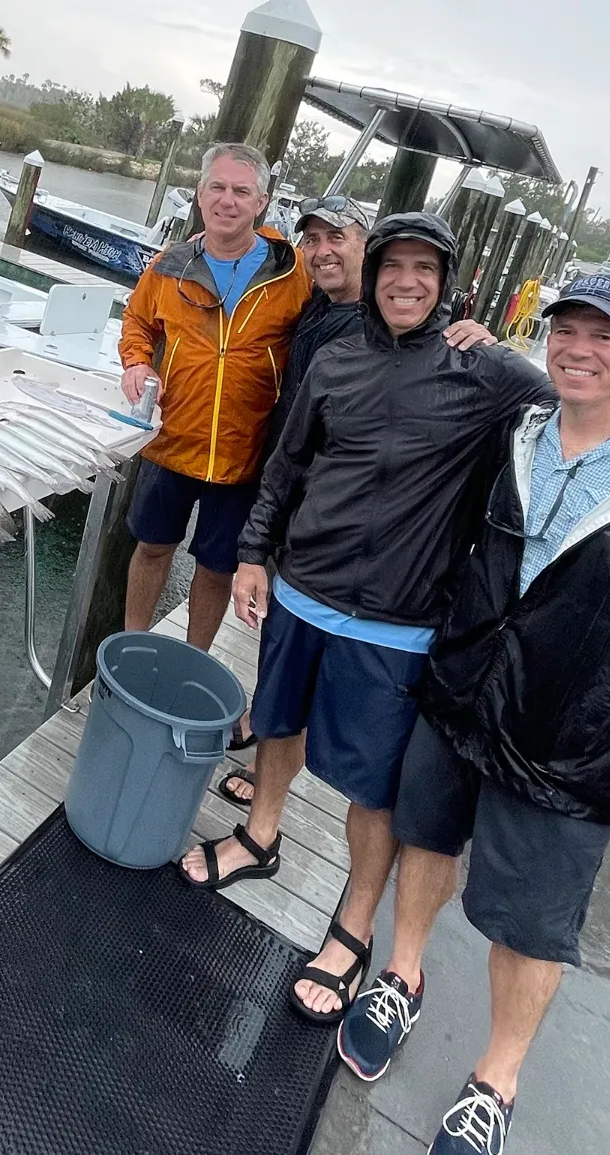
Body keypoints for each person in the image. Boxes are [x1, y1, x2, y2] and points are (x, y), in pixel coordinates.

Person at [178, 215, 610, 1028]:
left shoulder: (486, 373)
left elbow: (592, 395)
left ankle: (352, 928)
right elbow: (287, 462)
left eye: (423, 269)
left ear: (447, 284)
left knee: (376, 790)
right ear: (370, 276)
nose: (404, 281)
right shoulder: (334, 357)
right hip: (301, 592)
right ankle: (260, 834)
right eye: (390, 267)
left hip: (398, 624)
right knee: (276, 724)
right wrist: (257, 552)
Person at [338, 275, 610, 1154]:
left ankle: (497, 1076)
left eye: (605, 336)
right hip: (458, 699)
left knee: (532, 925)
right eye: (565, 329)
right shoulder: (517, 433)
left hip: (575, 746)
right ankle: (401, 974)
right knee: (423, 840)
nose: (577, 347)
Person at [218, 196, 495, 771]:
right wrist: (255, 546)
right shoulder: (319, 310)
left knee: (342, 718)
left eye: (335, 237)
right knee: (279, 654)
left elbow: (577, 404)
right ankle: (261, 725)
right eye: (311, 240)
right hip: (298, 523)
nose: (321, 251)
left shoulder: (468, 361)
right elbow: (291, 451)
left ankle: (264, 745)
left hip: (383, 585)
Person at [118, 142, 312, 652]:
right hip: (173, 439)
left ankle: (193, 657)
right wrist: (137, 359)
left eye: (241, 191)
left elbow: (351, 306)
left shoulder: (292, 272)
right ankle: (131, 645)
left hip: (245, 453)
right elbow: (136, 320)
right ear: (200, 195)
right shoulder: (167, 266)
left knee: (216, 565)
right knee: (152, 547)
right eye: (217, 188)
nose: (228, 201)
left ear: (262, 202)